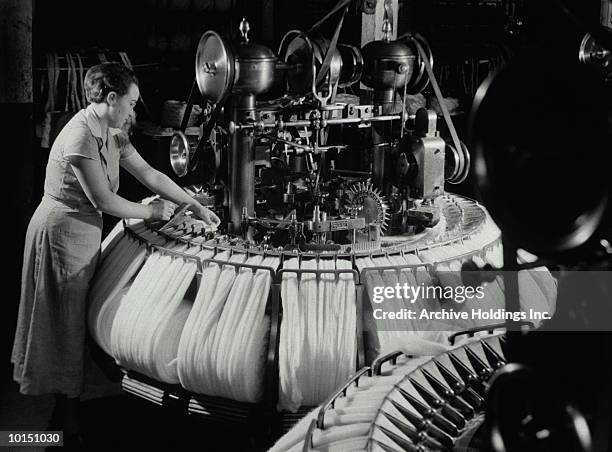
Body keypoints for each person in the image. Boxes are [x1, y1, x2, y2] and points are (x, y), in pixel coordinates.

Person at [10, 62, 220, 442]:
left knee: (75, 321)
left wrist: (194, 204)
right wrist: (152, 211)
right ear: (110, 98)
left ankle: (71, 407)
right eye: (131, 103)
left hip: (83, 234)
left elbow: (151, 175)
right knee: (63, 325)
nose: (134, 111)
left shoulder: (112, 132)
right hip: (59, 235)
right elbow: (103, 199)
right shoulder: (79, 137)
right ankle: (65, 422)